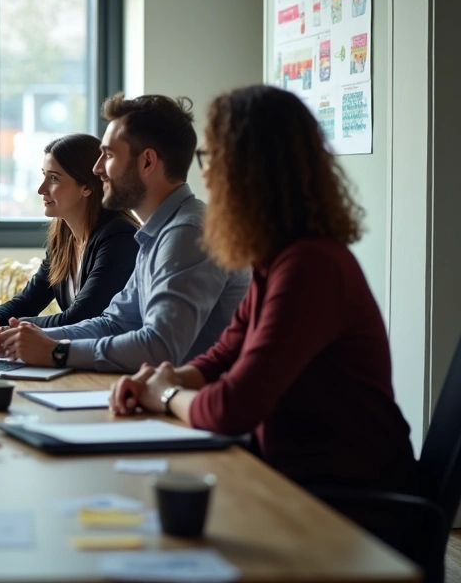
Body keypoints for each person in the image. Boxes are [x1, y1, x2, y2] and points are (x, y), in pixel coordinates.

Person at [108, 84, 416, 499]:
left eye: (213, 157)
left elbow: (232, 408)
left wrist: (165, 394)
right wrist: (169, 376)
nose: (206, 173)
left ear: (253, 170)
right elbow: (224, 355)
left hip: (350, 501)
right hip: (296, 477)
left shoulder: (311, 266)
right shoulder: (278, 258)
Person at [0, 94, 250, 372]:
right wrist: (22, 338)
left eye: (110, 155)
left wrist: (56, 352)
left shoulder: (188, 233)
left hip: (198, 404)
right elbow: (115, 323)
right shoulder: (158, 233)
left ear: (147, 162)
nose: (97, 168)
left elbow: (159, 347)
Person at [0, 133, 140, 329]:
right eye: (44, 176)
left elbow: (81, 318)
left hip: (116, 357)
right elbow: (29, 301)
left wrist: (12, 327)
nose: (41, 189)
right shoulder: (63, 238)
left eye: (53, 178)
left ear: (87, 187)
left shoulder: (119, 238)